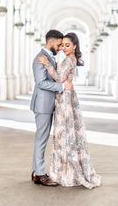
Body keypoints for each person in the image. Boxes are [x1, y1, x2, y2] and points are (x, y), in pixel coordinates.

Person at [38, 32, 101, 189]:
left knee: (64, 133)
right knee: (65, 133)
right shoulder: (68, 59)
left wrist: (47, 64)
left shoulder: (69, 60)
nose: (64, 48)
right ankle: (65, 169)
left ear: (74, 46)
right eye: (62, 45)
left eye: (67, 45)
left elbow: (59, 78)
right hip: (65, 97)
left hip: (65, 100)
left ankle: (67, 172)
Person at [30, 29, 73, 187]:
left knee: (42, 138)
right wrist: (62, 86)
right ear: (51, 41)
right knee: (41, 138)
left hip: (47, 103)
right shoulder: (40, 58)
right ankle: (40, 174)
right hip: (42, 104)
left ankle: (36, 172)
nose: (60, 47)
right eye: (59, 43)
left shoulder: (49, 57)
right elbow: (41, 83)